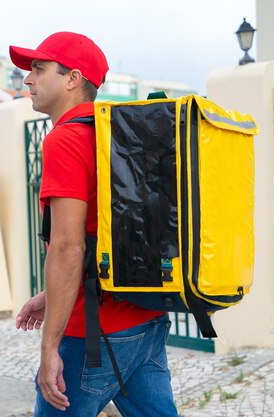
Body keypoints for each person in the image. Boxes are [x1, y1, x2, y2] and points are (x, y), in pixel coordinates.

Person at [10, 32, 179, 417]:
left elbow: (70, 248)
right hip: (145, 318)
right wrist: (51, 297)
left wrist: (49, 347)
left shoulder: (66, 140)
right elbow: (105, 234)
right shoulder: (117, 138)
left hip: (93, 333)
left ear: (72, 78)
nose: (28, 79)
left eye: (38, 68)